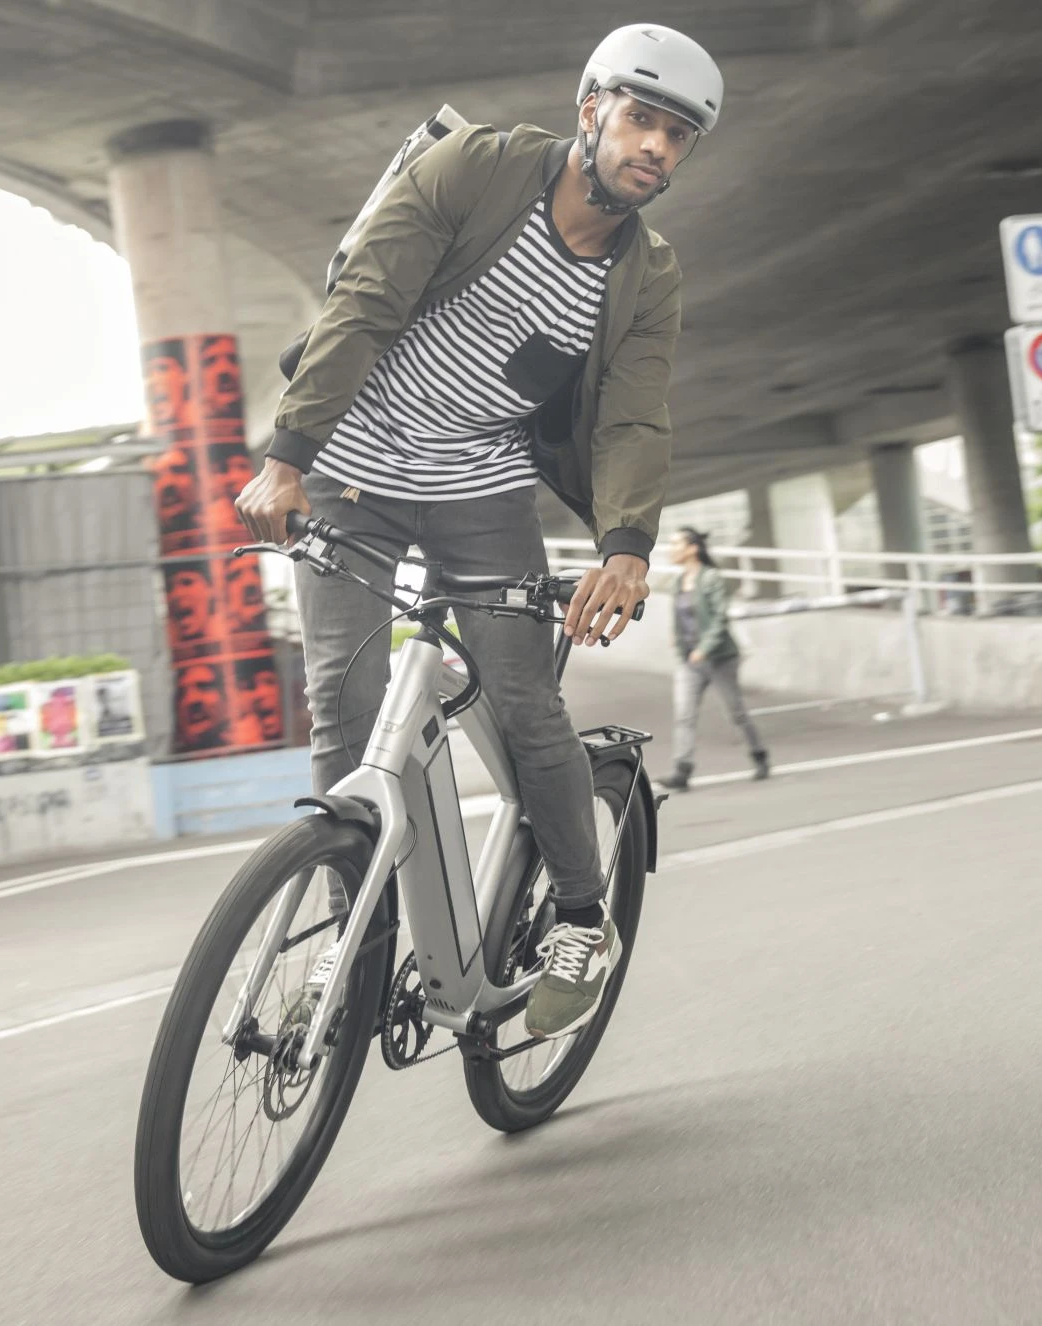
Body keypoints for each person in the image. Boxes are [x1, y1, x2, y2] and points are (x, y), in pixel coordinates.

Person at [237, 25, 724, 1040]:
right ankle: (352, 933)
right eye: (640, 118)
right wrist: (288, 456)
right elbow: (365, 303)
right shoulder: (476, 169)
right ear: (590, 108)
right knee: (342, 703)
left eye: (677, 136)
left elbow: (633, 416)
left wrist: (626, 548)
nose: (655, 147)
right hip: (354, 471)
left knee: (525, 703)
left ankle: (581, 919)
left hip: (483, 490)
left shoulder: (647, 274)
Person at [656, 528, 769, 791]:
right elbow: (679, 617)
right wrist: (676, 637)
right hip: (689, 660)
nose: (671, 549)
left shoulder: (711, 578)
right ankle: (682, 771)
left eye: (676, 544)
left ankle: (759, 755)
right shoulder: (678, 581)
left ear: (692, 548)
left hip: (719, 658)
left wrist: (704, 648)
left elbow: (720, 617)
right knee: (684, 716)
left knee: (736, 713)